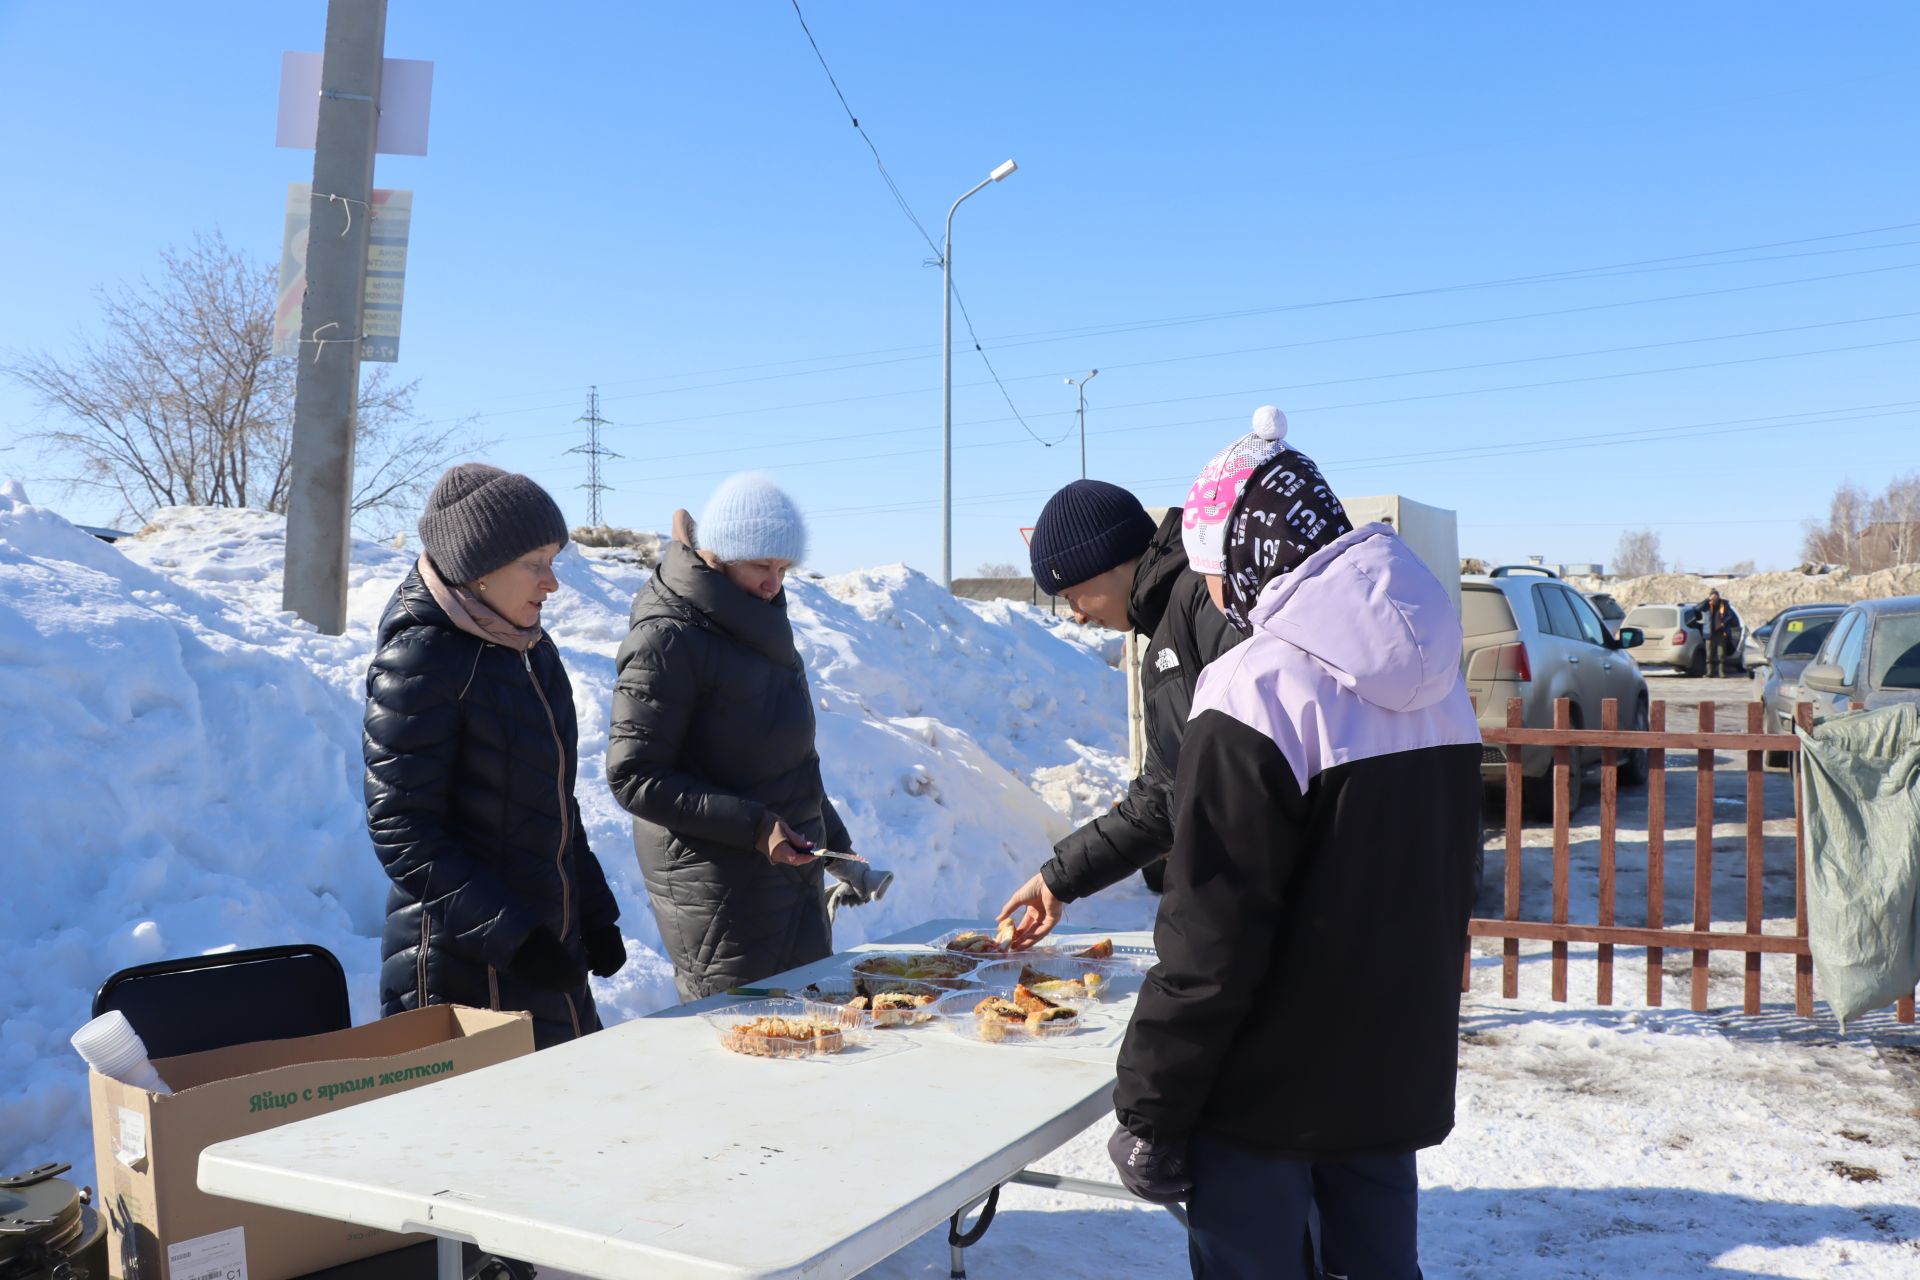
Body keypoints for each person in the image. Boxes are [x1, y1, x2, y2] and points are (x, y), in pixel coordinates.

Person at [1107, 422, 1483, 1280]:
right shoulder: (1436, 677)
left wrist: (1151, 1110)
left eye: (1208, 565)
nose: (1208, 589)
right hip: (1389, 1075)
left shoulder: (1257, 686)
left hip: (1264, 1101)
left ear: (1248, 555)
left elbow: (1212, 929)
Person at [996, 409, 1286, 942]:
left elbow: (1257, 777)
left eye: (1071, 595)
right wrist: (1058, 879)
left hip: (1271, 916)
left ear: (1104, 562)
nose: (1077, 614)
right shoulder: (1172, 623)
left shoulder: (1207, 606)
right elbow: (1165, 796)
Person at [363, 464, 627, 1050]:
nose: (551, 583)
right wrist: (515, 938)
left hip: (543, 956)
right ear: (478, 571)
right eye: (534, 564)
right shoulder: (423, 658)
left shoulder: (528, 650)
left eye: (552, 562)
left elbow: (551, 799)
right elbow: (404, 830)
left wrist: (593, 913)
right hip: (463, 968)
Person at [606, 473, 891, 1001]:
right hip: (716, 892)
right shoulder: (666, 637)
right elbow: (634, 774)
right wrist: (757, 826)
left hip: (784, 881)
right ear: (720, 554)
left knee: (806, 1041)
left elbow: (788, 763)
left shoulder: (760, 628)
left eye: (783, 569)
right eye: (761, 565)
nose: (773, 584)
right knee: (746, 1045)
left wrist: (836, 848)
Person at [1698, 587, 1736, 678]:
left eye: (1716, 595)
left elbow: (1730, 615)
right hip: (1709, 633)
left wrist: (1723, 623)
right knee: (1709, 655)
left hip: (1721, 633)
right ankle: (1709, 673)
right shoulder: (1706, 605)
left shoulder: (1724, 604)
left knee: (1721, 654)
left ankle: (1721, 673)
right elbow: (1697, 608)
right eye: (1712, 595)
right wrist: (1707, 600)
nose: (1714, 598)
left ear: (1718, 596)